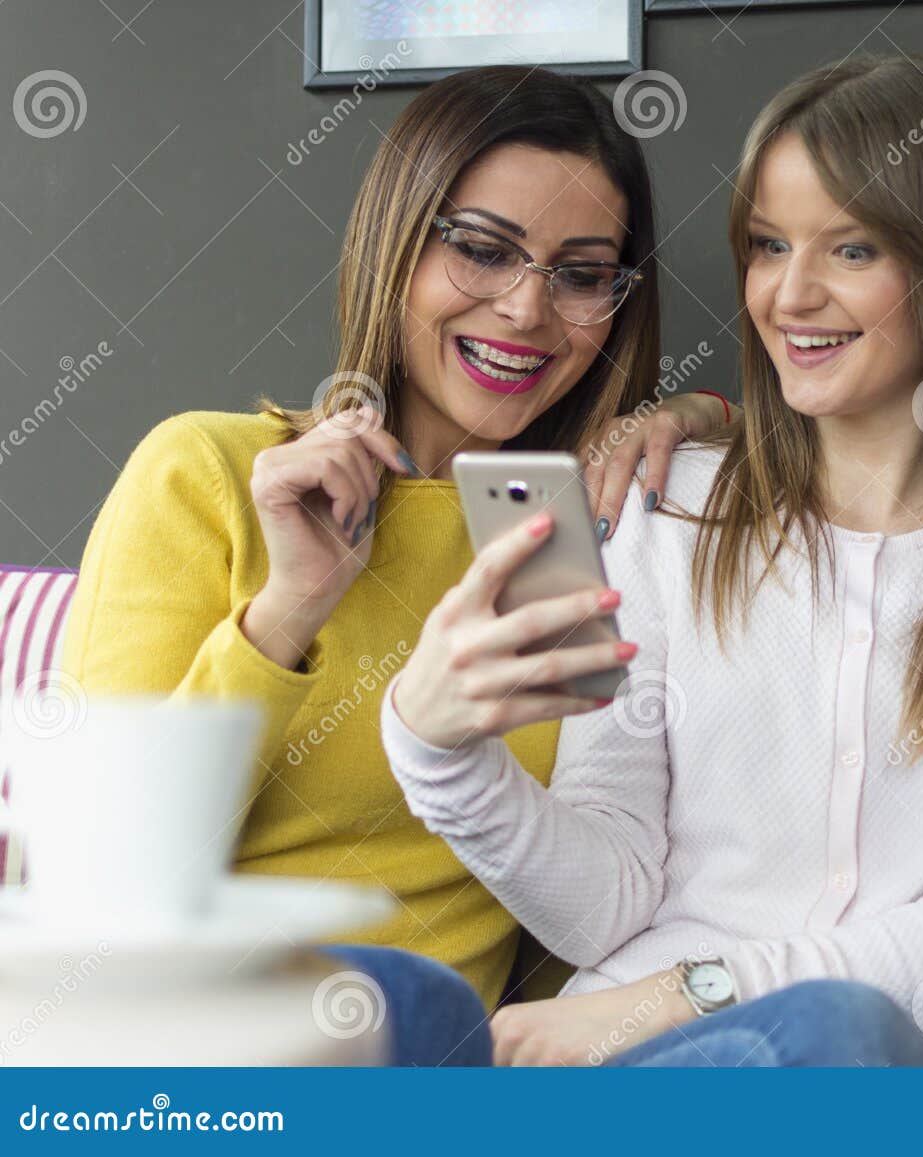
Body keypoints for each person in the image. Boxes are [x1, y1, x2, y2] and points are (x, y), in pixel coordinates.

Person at [381, 53, 923, 1067]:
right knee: (382, 996)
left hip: (897, 1063)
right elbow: (609, 899)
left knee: (832, 1025)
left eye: (851, 249)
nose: (790, 294)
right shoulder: (669, 505)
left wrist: (696, 990)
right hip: (639, 1057)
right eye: (767, 245)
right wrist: (439, 754)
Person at [61, 65, 735, 1066]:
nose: (526, 310)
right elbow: (96, 868)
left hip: (444, 1065)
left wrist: (700, 416)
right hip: (189, 1043)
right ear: (396, 243)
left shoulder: (568, 522)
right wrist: (286, 611)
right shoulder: (210, 471)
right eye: (481, 250)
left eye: (581, 273)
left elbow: (587, 888)